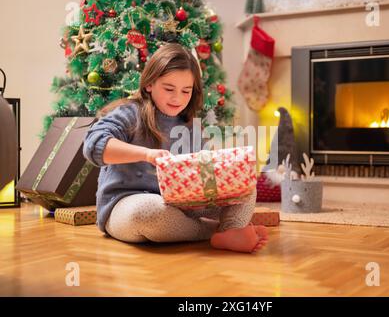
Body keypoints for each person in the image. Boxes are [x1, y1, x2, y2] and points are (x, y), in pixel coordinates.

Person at [83, 43, 268, 253]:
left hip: (182, 205)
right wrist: (147, 154)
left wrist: (228, 174)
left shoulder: (190, 125)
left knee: (245, 185)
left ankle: (231, 231)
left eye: (186, 91)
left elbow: (207, 173)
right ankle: (216, 231)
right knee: (149, 212)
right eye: (169, 89)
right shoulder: (130, 113)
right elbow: (94, 146)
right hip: (126, 207)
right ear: (150, 84)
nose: (177, 98)